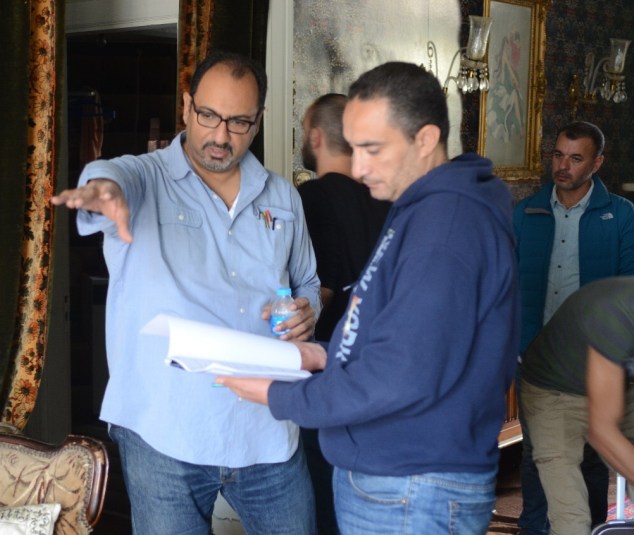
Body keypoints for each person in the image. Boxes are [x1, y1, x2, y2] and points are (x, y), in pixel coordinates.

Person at [217, 62, 519, 534]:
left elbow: (401, 376)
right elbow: (404, 336)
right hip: (401, 476)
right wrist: (325, 354)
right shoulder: (419, 209)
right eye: (354, 148)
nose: (357, 169)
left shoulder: (446, 228)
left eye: (373, 149)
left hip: (412, 484)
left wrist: (277, 395)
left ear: (425, 139)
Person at [51, 51, 321, 535]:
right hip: (165, 429)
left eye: (238, 122)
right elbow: (112, 177)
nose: (221, 135)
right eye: (208, 115)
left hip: (267, 428)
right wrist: (103, 191)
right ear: (186, 106)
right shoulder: (146, 177)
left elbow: (307, 282)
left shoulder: (282, 197)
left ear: (258, 121)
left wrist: (308, 311)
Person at [514, 120, 634, 534]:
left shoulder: (621, 215)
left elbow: (627, 284)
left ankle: (597, 527)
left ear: (596, 163)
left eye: (576, 158)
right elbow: (508, 286)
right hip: (538, 358)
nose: (563, 166)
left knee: (595, 458)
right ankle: (534, 529)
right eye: (558, 155)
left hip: (603, 354)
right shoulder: (525, 213)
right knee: (537, 459)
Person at [296, 92, 390, 535]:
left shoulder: (311, 198)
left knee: (322, 489)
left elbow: (322, 290)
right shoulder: (387, 197)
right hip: (379, 362)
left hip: (326, 363)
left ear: (316, 137)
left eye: (303, 131)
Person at [519, 276, 634, 535]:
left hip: (619, 383)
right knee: (571, 519)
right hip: (553, 391)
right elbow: (601, 430)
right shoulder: (616, 312)